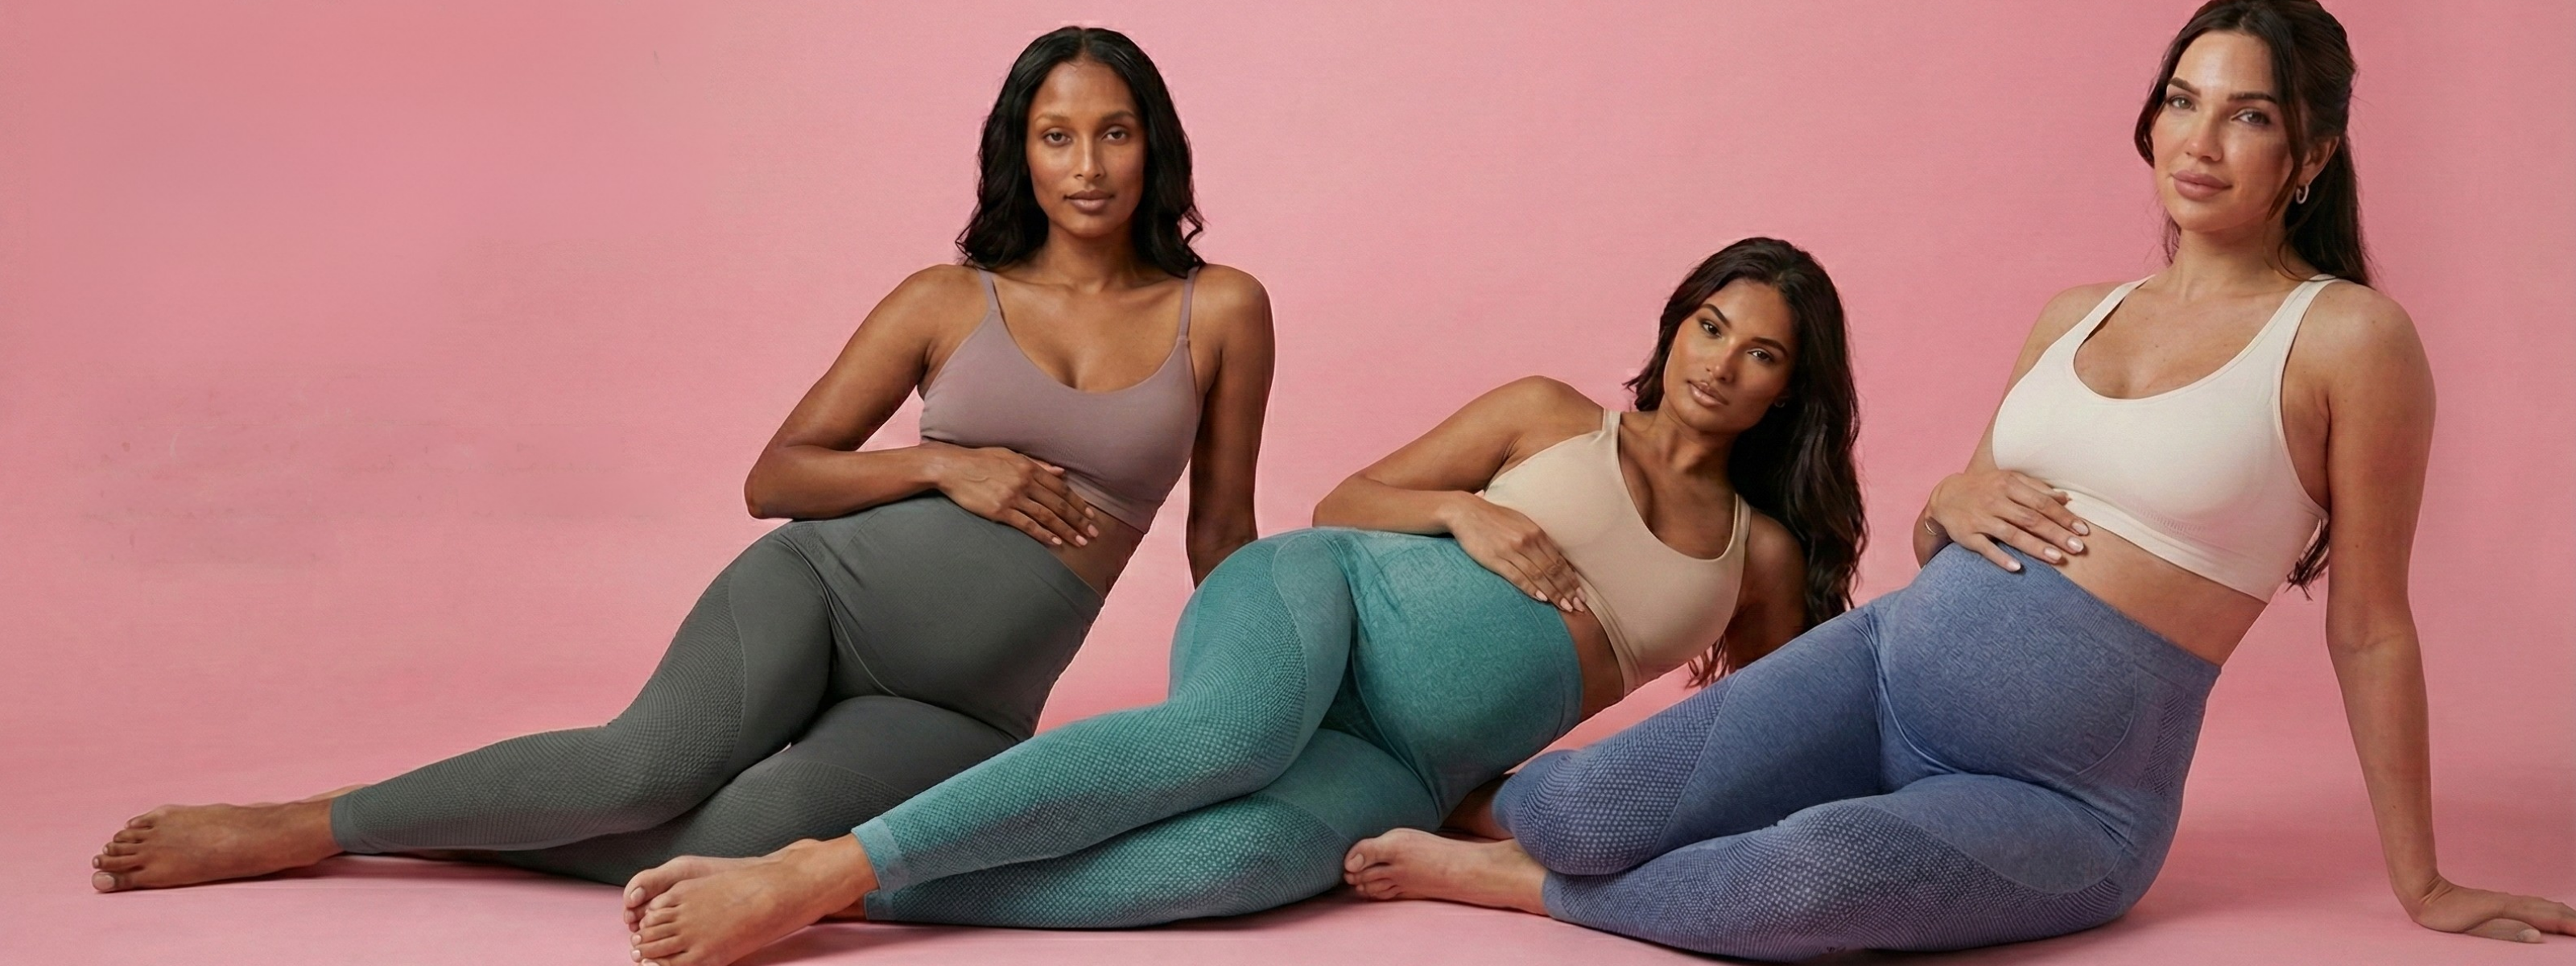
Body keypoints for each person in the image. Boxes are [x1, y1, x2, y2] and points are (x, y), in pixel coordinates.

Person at [1339, 0, 2575, 957]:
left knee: (1812, 879)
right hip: (1879, 669)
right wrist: (1944, 502)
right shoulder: (2075, 315)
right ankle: (1475, 818)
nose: (2200, 140)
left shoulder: (2350, 338)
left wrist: (2422, 880)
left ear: (2311, 147)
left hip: (2065, 796)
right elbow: (1951, 526)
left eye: (2247, 115)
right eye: (2183, 101)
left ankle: (1539, 895)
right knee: (1577, 809)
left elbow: (2371, 628)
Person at [88, 25, 1277, 894]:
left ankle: (452, 826)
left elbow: (1220, 532)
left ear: (1151, 144)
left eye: (1112, 132)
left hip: (970, 703)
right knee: (639, 771)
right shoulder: (944, 300)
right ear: (1019, 153)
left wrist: (1259, 702)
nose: (1086, 166)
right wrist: (941, 470)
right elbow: (779, 479)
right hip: (825, 594)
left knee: (737, 841)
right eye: (1055, 135)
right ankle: (312, 824)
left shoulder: (1220, 309)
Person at [609, 237, 1867, 966]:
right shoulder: (1549, 415)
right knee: (1230, 739)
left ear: (1786, 392)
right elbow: (1347, 499)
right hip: (1328, 600)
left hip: (1407, 760)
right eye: (1711, 326)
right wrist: (1465, 509)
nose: (1721, 362)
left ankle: (849, 891)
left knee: (1256, 857)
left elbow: (1753, 738)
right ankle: (819, 866)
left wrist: (1516, 794)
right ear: (1676, 326)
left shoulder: (1754, 557)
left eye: (1761, 352)